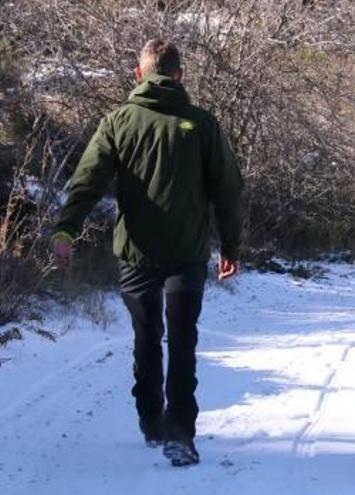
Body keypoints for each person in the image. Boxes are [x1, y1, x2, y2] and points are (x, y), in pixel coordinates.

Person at [52, 39, 244, 467]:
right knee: (181, 341)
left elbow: (88, 179)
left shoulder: (118, 121)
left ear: (138, 75)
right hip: (187, 255)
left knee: (145, 338)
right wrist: (230, 245)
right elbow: (228, 190)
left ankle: (150, 418)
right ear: (179, 75)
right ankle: (180, 433)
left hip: (136, 254)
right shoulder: (201, 123)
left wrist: (66, 228)